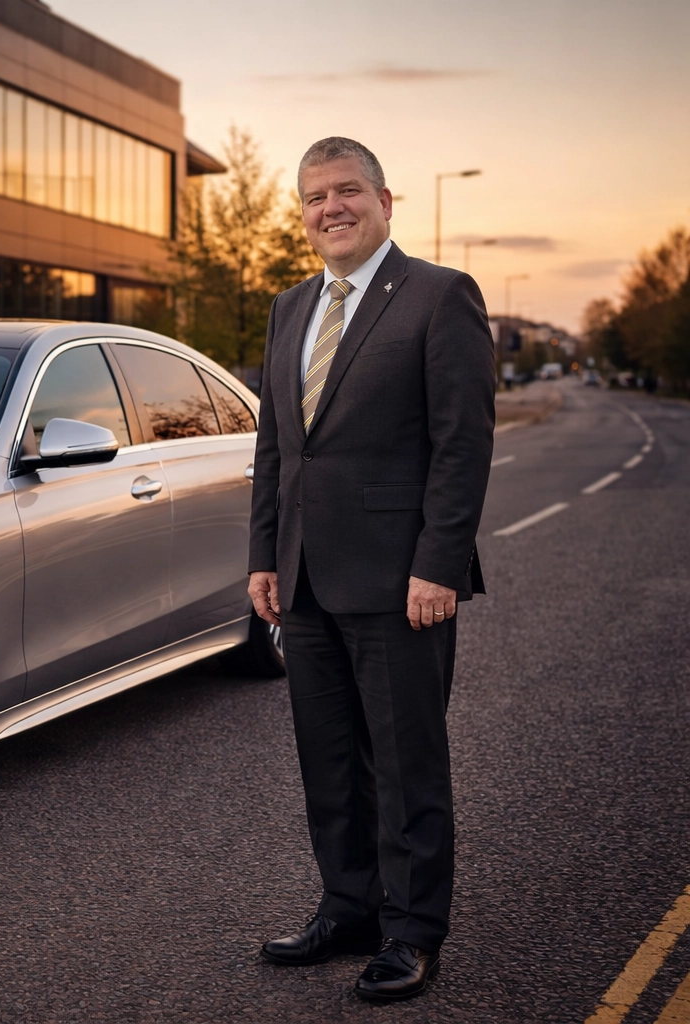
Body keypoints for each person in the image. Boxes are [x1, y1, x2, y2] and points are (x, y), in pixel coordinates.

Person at [247, 137, 494, 1002]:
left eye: (347, 191)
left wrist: (438, 564)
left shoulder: (439, 295)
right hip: (304, 578)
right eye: (315, 197)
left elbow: (462, 445)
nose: (332, 209)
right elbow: (278, 448)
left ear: (385, 202)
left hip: (401, 582)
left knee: (404, 762)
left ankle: (413, 930)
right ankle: (348, 907)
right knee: (328, 761)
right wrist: (264, 557)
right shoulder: (290, 307)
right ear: (303, 214)